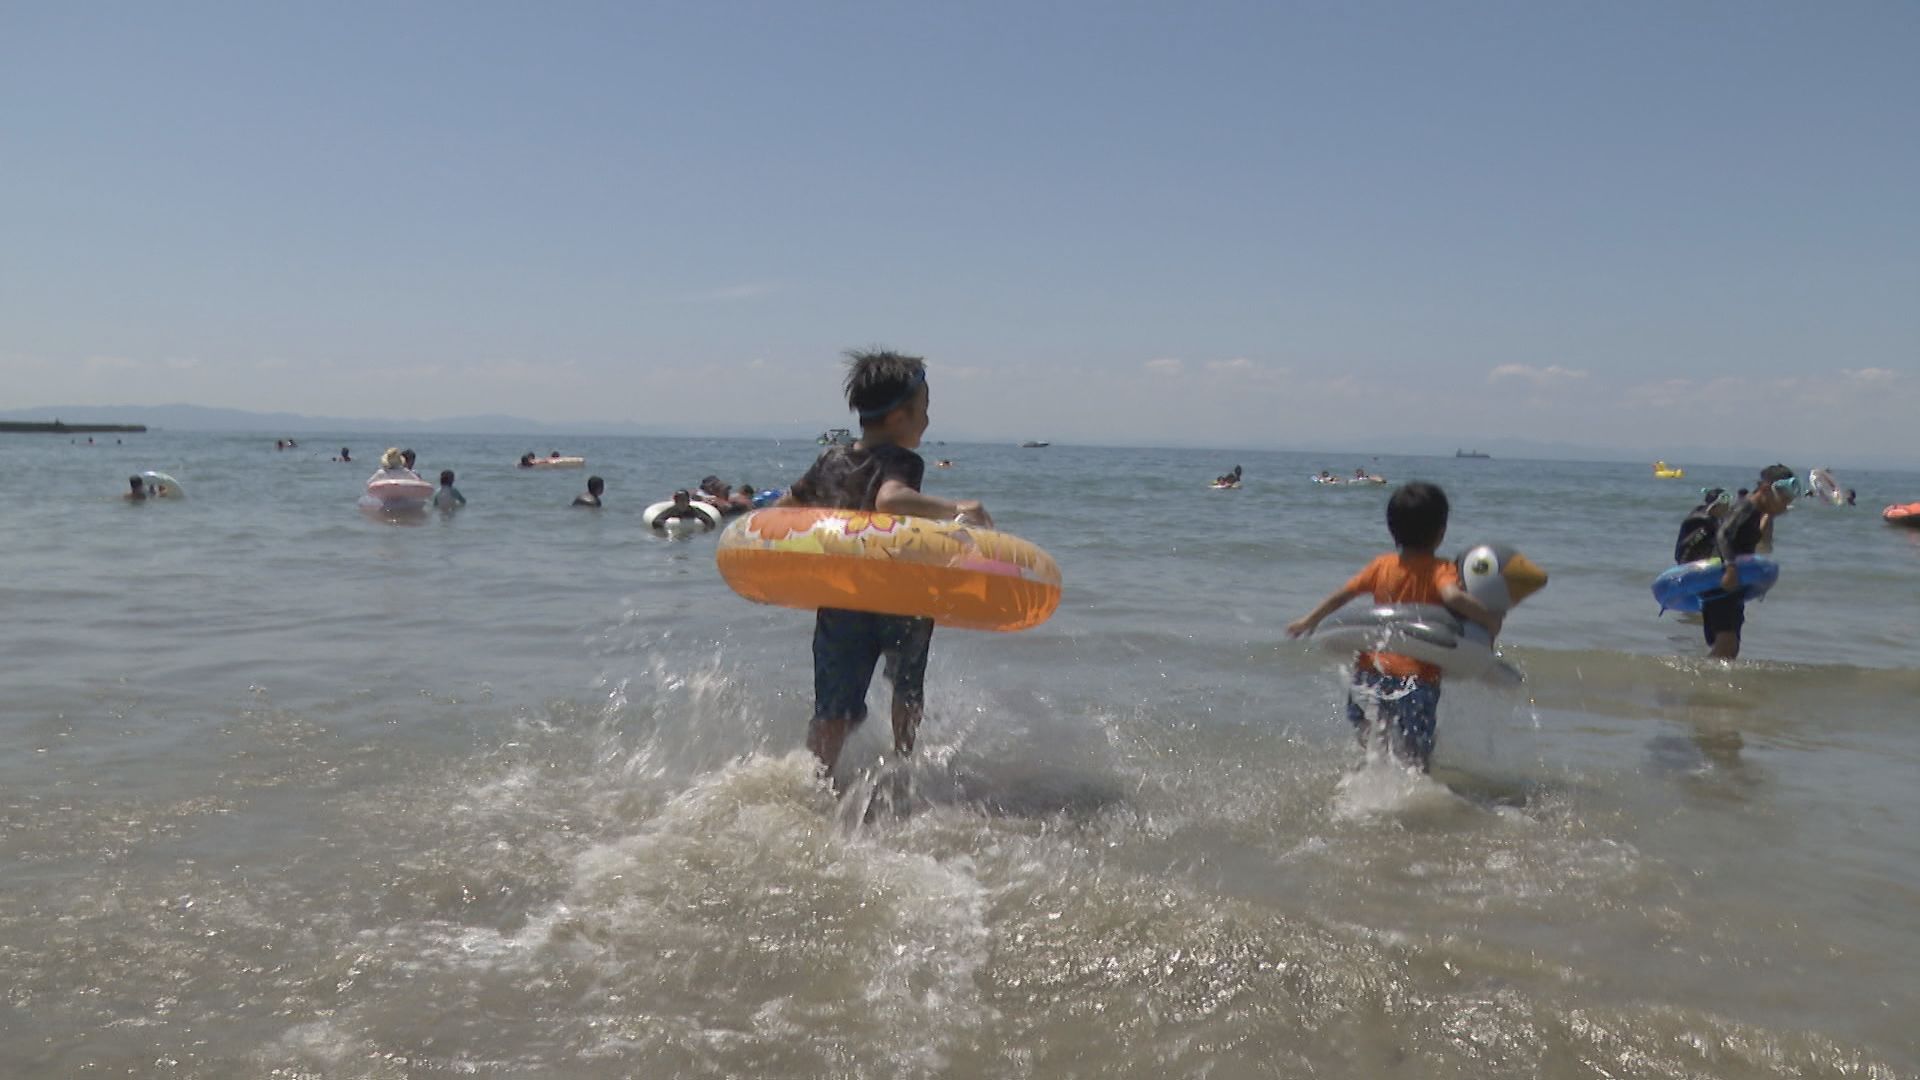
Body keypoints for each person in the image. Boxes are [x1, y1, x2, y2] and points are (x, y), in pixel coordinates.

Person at [775, 348, 992, 796]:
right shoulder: (902, 460)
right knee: (906, 689)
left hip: (842, 598)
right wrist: (957, 509)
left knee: (833, 706)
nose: (928, 420)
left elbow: (785, 510)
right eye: (925, 409)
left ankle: (818, 782)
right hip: (899, 595)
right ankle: (903, 762)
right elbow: (890, 501)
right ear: (899, 415)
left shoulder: (829, 460)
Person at [1285, 481, 1501, 771]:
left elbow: (1344, 594)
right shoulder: (1442, 570)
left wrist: (1309, 620)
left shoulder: (1380, 566)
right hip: (1417, 679)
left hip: (1370, 672)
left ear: (1391, 529)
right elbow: (1452, 597)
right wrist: (1489, 618)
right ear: (1441, 531)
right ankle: (1414, 789)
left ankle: (1372, 777)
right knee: (1416, 754)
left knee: (1375, 736)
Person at [1700, 465, 1798, 660]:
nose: (1785, 506)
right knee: (1727, 644)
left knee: (1731, 648)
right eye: (1783, 501)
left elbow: (1760, 545)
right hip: (1721, 583)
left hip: (1734, 586)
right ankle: (1699, 683)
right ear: (1764, 490)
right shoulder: (1747, 507)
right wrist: (1731, 567)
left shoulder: (1758, 512)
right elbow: (1723, 534)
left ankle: (1708, 683)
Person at [1673, 488, 1733, 564]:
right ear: (1715, 505)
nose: (1728, 506)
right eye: (1725, 504)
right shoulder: (1704, 522)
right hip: (1691, 564)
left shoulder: (1712, 516)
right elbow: (1688, 544)